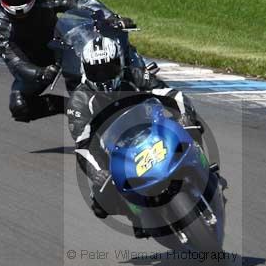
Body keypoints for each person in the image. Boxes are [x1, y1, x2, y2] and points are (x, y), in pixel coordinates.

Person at [0, 0, 157, 122]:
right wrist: (40, 73)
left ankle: (139, 69)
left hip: (64, 47)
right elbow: (15, 61)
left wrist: (111, 17)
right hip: (36, 64)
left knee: (102, 50)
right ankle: (72, 107)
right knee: (20, 106)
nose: (19, 2)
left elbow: (82, 3)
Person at [66, 35, 202, 234]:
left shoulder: (135, 75)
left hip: (153, 130)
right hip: (117, 152)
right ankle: (136, 213)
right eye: (96, 71)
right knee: (101, 203)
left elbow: (171, 94)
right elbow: (83, 146)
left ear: (119, 63)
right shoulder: (79, 101)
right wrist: (99, 172)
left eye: (108, 68)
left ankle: (200, 164)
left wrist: (185, 116)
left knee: (190, 127)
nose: (103, 77)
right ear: (85, 70)